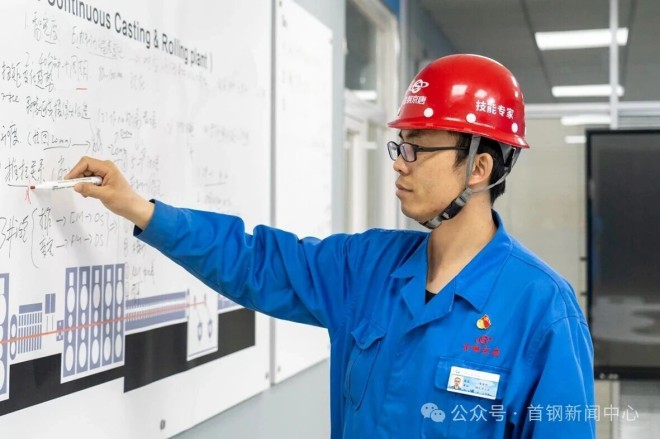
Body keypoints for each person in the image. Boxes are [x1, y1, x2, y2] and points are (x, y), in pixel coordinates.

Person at [67, 54, 595, 438]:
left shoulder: (542, 309)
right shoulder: (368, 268)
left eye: (418, 149)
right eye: (401, 145)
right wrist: (141, 209)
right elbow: (254, 262)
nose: (399, 163)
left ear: (479, 167)